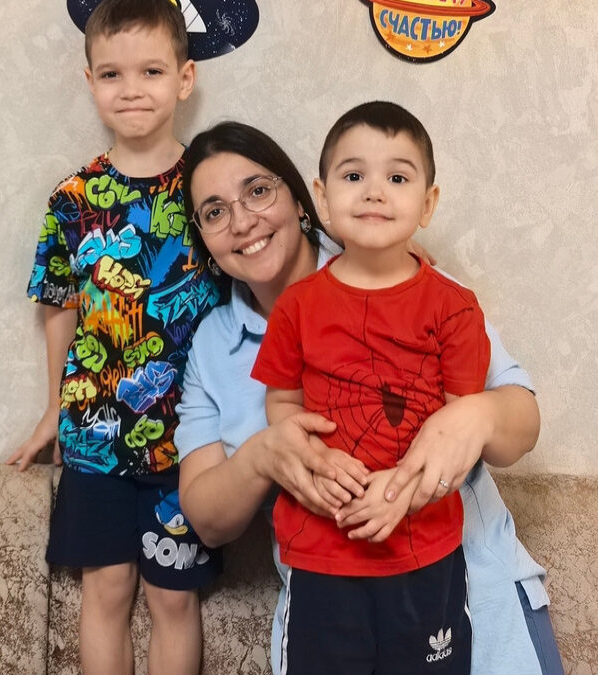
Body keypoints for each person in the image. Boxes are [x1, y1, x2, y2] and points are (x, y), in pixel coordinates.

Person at [175, 120, 564, 674]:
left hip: (475, 591)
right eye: (214, 212)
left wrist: (477, 414)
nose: (241, 221)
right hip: (332, 605)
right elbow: (208, 521)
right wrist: (263, 455)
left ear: (303, 200)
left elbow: (522, 427)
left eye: (258, 191)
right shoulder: (212, 347)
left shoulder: (409, 275)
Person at [7, 1, 221, 673]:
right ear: (90, 81)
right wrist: (53, 408)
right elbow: (60, 306)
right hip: (94, 438)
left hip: (191, 443)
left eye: (151, 71)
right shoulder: (73, 199)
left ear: (184, 78)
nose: (131, 89)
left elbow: (265, 277)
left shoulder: (212, 190)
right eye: (112, 74)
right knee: (105, 590)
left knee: (173, 598)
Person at [250, 101, 488, 672]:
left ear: (428, 203)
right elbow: (281, 402)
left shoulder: (455, 308)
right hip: (322, 552)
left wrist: (404, 489)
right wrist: (310, 454)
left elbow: (462, 428)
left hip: (424, 553)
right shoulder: (297, 306)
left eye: (398, 178)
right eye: (354, 176)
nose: (375, 192)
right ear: (322, 197)